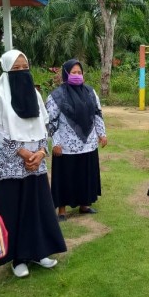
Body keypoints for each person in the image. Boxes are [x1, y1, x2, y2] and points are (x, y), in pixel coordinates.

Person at [0, 50, 67, 278]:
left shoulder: (35, 94)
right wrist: (22, 153)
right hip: (11, 164)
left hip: (35, 162)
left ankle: (40, 252)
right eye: (15, 69)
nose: (21, 72)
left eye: (24, 68)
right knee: (14, 210)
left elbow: (44, 125)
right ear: (6, 70)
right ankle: (18, 258)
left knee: (37, 207)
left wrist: (40, 152)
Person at [46, 59, 107, 222]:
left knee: (85, 174)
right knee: (66, 175)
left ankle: (84, 205)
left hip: (88, 143)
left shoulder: (90, 92)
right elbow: (51, 121)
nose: (77, 75)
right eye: (73, 72)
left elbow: (97, 113)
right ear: (66, 74)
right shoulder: (56, 95)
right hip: (66, 145)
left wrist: (102, 134)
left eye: (79, 72)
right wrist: (56, 142)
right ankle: (62, 210)